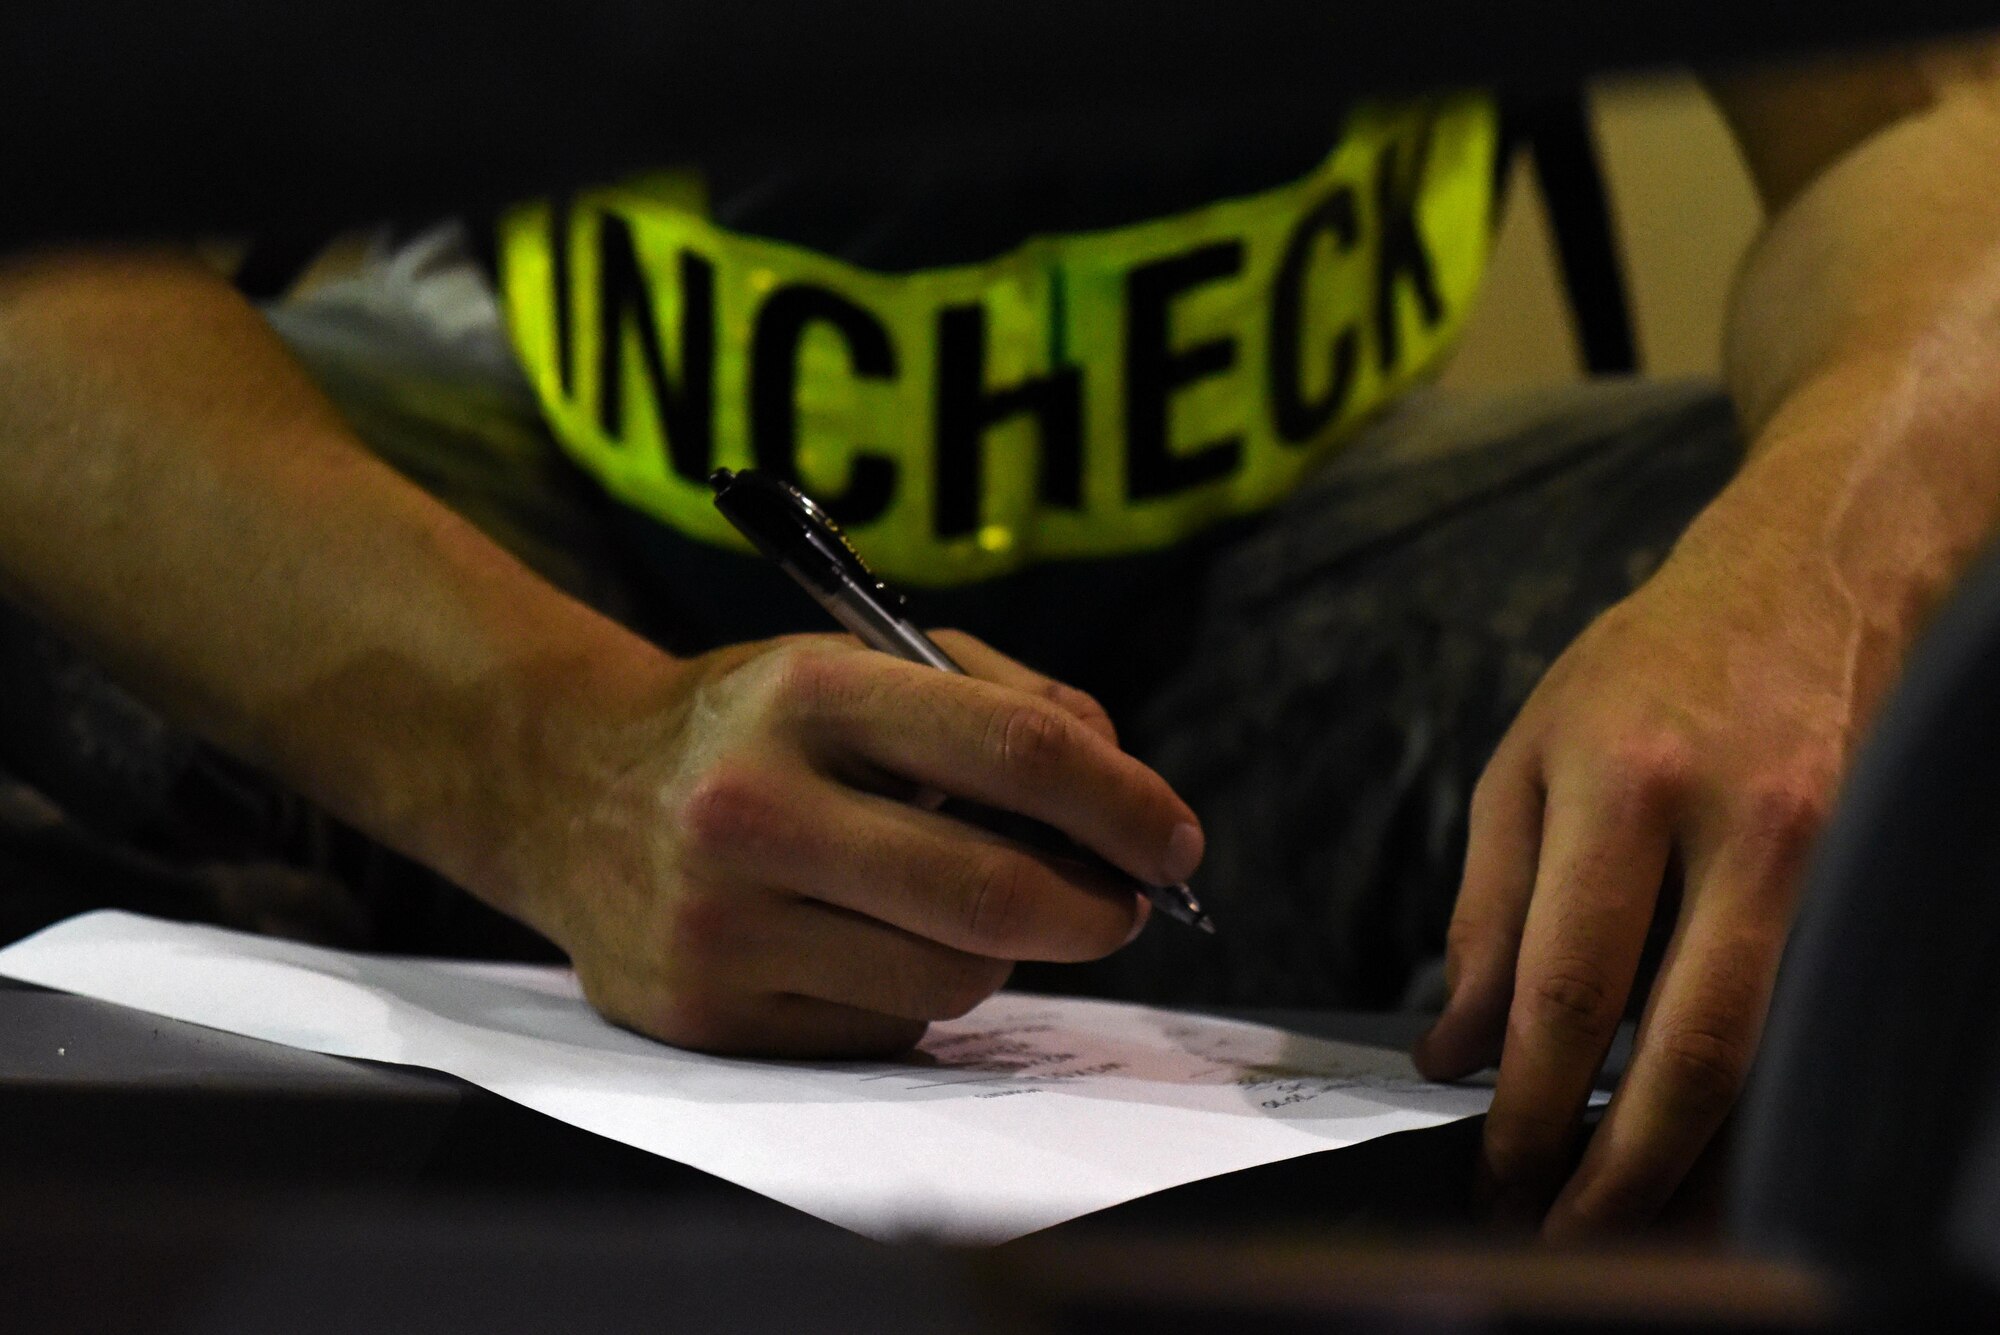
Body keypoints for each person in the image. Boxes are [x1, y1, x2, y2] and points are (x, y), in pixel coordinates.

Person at [2, 34, 1998, 1240]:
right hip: (535, 573)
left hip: (1300, 596)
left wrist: (1814, 566)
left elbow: (1921, 134)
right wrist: (543, 756)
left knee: (1941, 674)